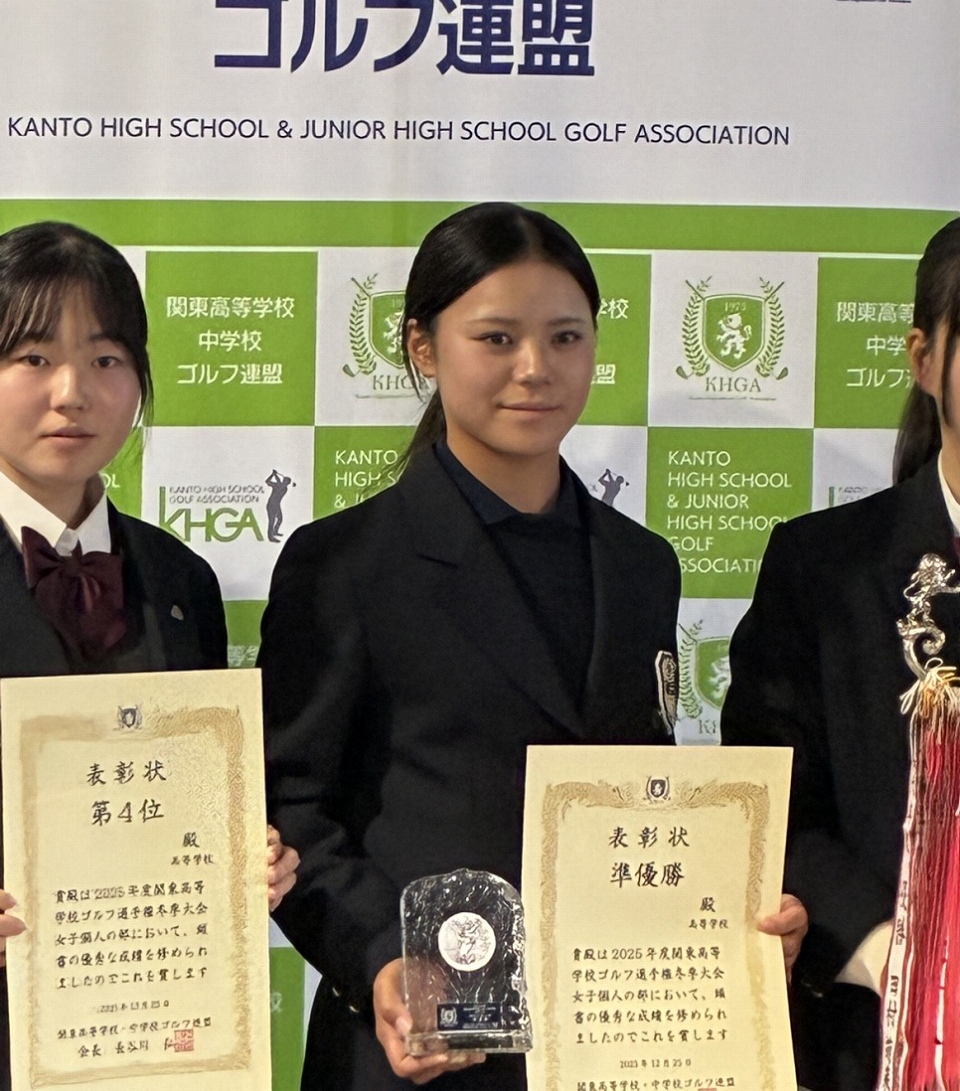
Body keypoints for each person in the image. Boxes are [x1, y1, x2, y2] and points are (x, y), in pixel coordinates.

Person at [259, 202, 683, 1089]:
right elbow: (290, 808)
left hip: (607, 1036)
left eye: (566, 338)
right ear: (423, 347)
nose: (536, 369)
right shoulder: (345, 564)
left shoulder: (642, 565)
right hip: (415, 1045)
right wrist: (382, 958)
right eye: (497, 339)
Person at [0, 220, 298, 1091]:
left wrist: (244, 850)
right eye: (33, 358)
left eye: (105, 358)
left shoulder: (179, 578)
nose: (72, 393)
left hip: (155, 1036)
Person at [721, 216, 960, 1090]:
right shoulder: (823, 568)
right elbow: (770, 794)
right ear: (924, 358)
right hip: (879, 1037)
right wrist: (901, 962)